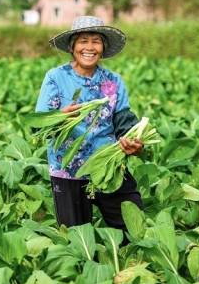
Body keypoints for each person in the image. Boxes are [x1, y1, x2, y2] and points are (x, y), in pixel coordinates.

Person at [36, 15, 144, 232]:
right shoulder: (56, 78)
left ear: (103, 47)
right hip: (68, 168)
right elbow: (40, 124)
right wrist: (59, 117)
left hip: (107, 164)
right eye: (83, 40)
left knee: (133, 227)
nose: (90, 47)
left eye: (96, 41)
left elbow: (123, 119)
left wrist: (133, 140)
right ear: (72, 46)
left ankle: (128, 264)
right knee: (77, 238)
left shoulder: (113, 81)